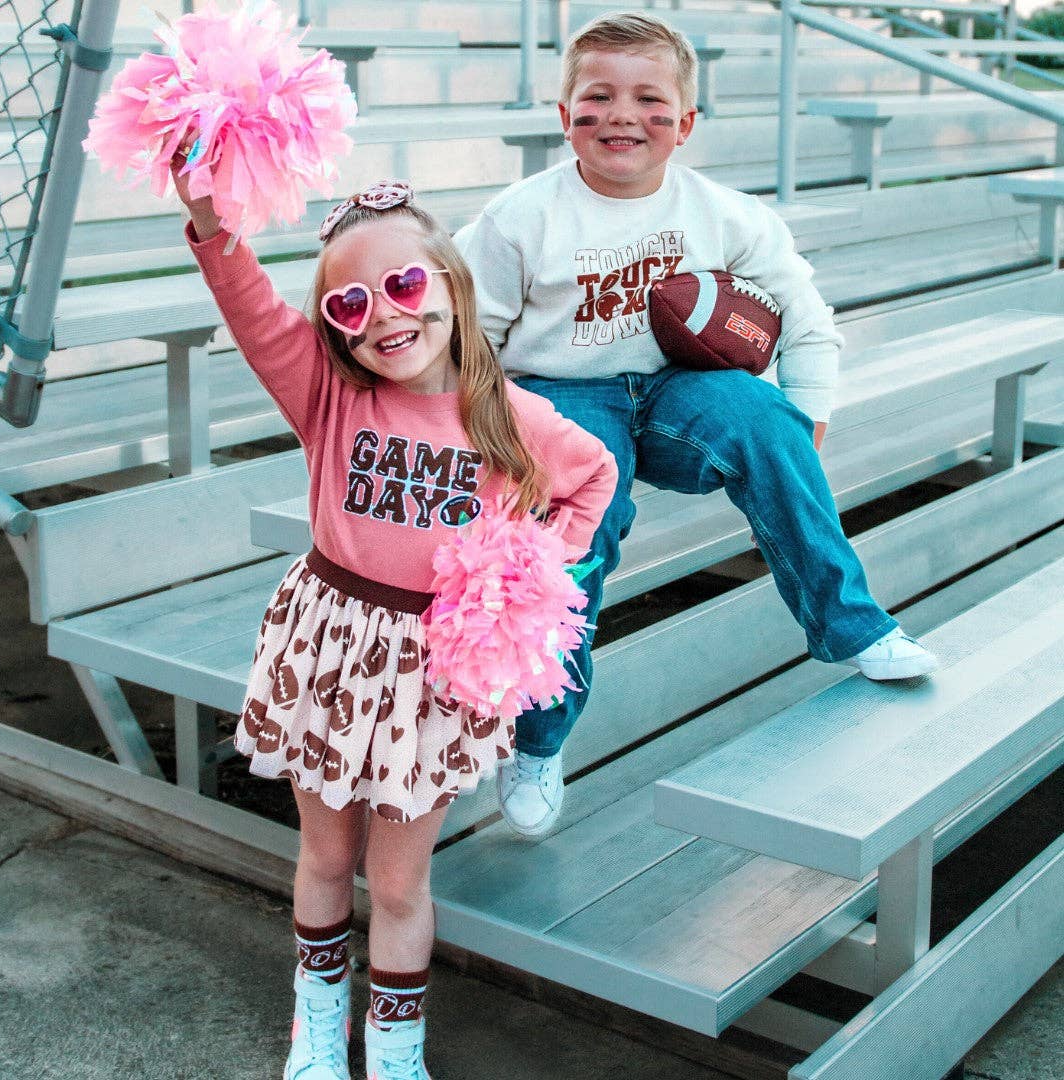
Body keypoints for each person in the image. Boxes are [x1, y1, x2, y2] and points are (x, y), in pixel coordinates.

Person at [173, 165, 617, 1080]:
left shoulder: (513, 419)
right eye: (349, 304)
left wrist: (530, 569)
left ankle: (396, 1044)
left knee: (404, 878)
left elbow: (595, 477)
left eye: (405, 285)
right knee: (326, 855)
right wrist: (212, 222)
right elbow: (252, 308)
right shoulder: (329, 399)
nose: (383, 315)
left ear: (450, 285)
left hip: (433, 669)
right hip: (331, 650)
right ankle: (318, 1022)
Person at [455, 10, 939, 840]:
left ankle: (853, 625)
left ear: (684, 123)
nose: (621, 115)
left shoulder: (726, 213)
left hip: (679, 388)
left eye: (649, 99)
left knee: (763, 416)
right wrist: (503, 446)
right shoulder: (517, 219)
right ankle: (535, 739)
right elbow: (470, 347)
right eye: (597, 96)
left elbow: (806, 317)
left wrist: (805, 421)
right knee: (586, 523)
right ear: (563, 113)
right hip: (559, 391)